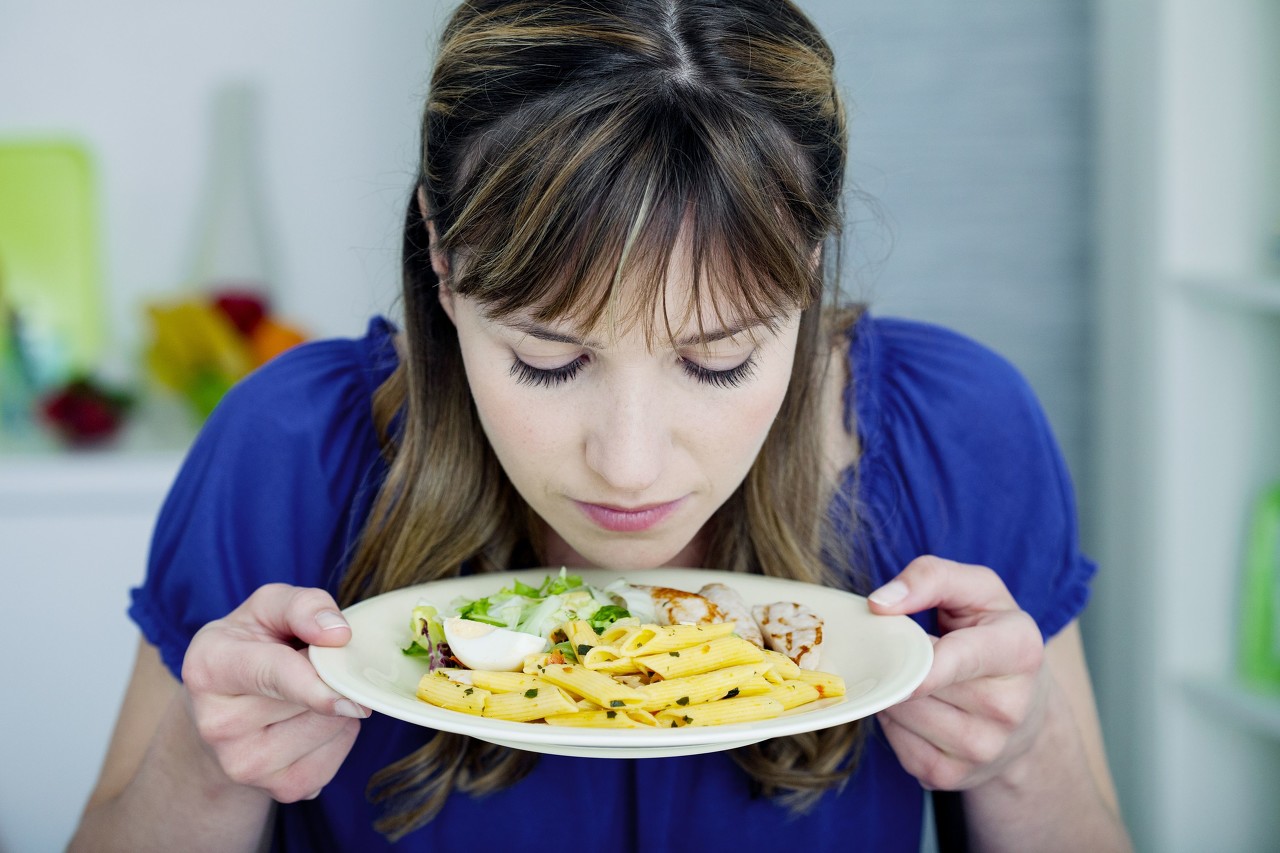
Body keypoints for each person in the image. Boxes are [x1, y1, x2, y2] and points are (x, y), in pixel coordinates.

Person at [71, 1, 1132, 850]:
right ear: (442, 262)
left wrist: (1017, 752)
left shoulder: (958, 434)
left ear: (807, 271)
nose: (627, 467)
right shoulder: (289, 450)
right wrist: (204, 768)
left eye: (716, 361)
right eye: (547, 358)